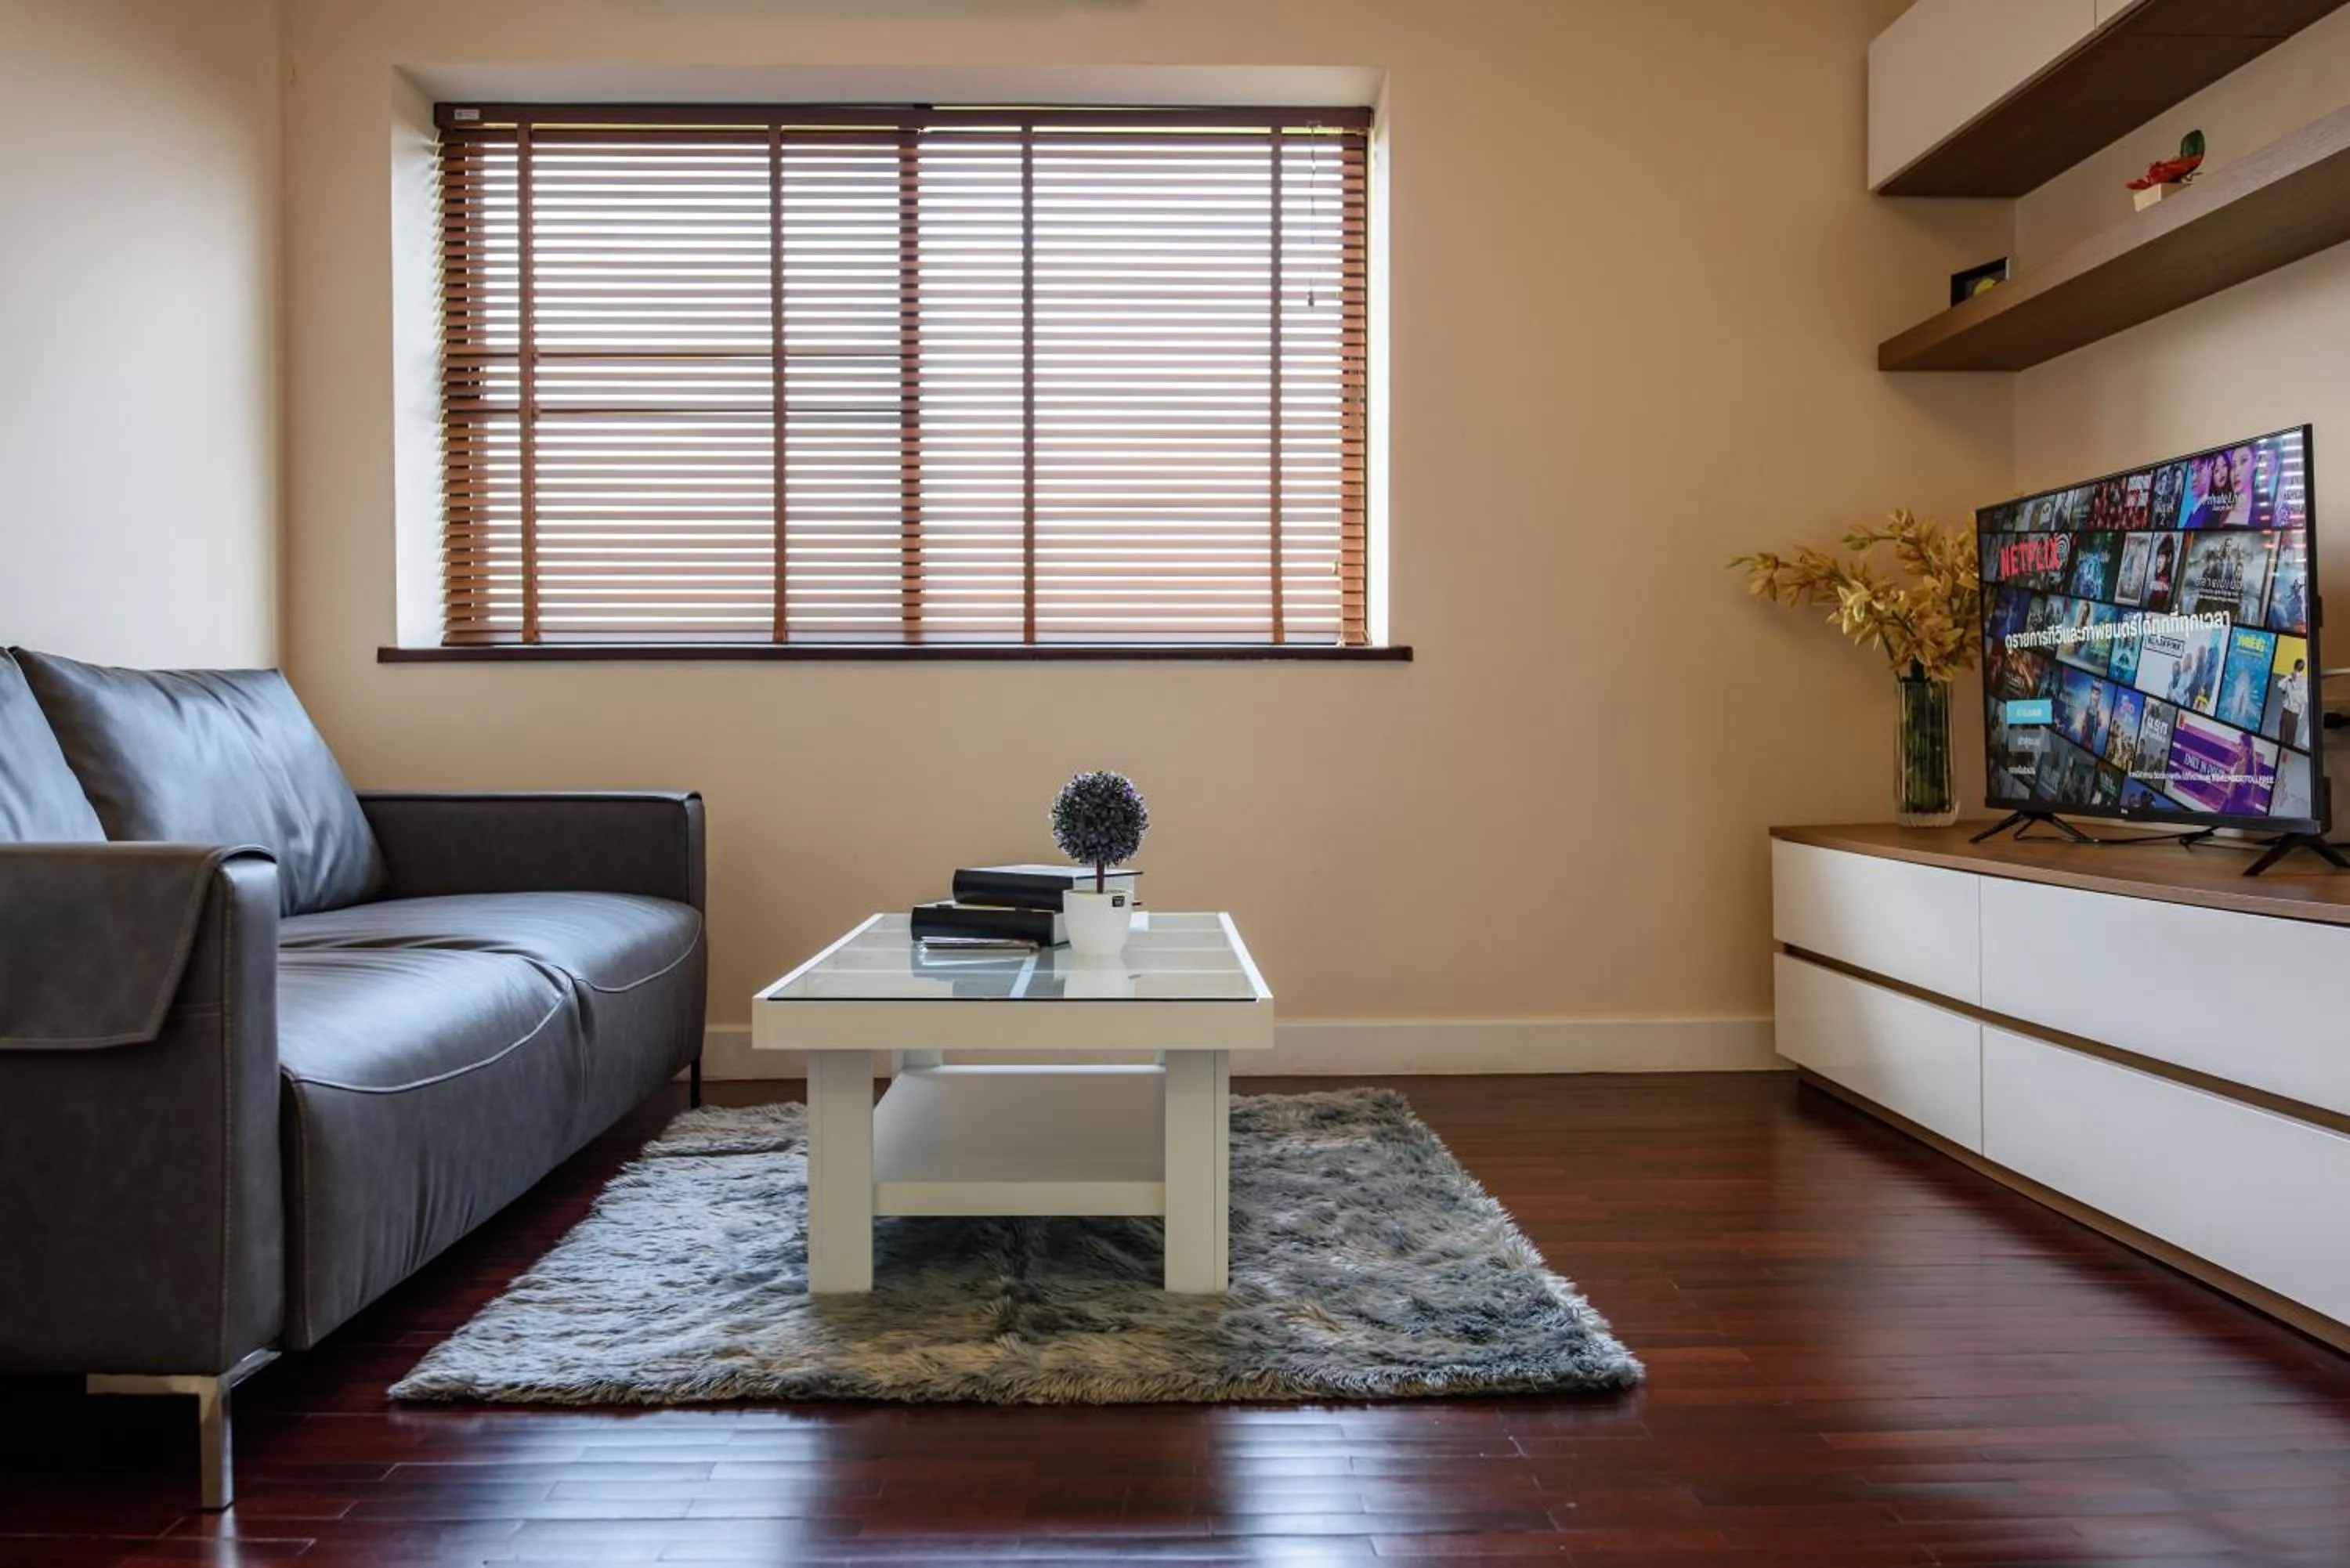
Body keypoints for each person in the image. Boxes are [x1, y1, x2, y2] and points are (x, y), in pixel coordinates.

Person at [2278, 658, 2310, 750]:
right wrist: (2288, 677)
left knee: (2290, 739)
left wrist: (2294, 683)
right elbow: (2280, 685)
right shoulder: (2289, 678)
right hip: (2286, 710)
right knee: (2282, 736)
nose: (2298, 668)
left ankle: (2285, 755)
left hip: (2294, 712)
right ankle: (2280, 753)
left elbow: (2303, 699)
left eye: (2300, 666)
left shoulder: (2304, 681)